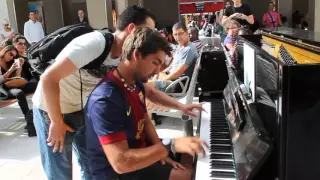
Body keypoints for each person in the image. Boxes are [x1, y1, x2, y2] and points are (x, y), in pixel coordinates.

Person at [32, 5, 203, 180]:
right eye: (147, 31)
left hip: (82, 109)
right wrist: (56, 121)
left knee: (90, 167)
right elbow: (48, 79)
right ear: (131, 29)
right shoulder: (94, 44)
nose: (151, 37)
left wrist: (180, 107)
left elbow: (147, 91)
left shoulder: (126, 60)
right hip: (52, 109)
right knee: (59, 171)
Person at [86, 27, 207, 180]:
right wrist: (167, 147)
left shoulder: (133, 82)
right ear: (137, 55)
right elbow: (121, 162)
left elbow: (145, 119)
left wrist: (161, 154)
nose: (157, 71)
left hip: (141, 153)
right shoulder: (106, 100)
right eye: (155, 63)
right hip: (121, 172)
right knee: (190, 175)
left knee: (192, 153)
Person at [149, 22, 198, 92]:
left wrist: (163, 79)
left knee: (146, 86)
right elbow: (172, 65)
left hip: (177, 84)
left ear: (187, 33)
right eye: (175, 34)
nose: (178, 37)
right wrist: (160, 74)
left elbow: (179, 72)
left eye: (180, 33)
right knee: (152, 79)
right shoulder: (180, 47)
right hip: (172, 80)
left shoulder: (188, 49)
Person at [0, 46, 36, 136]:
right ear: (4, 51)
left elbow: (17, 77)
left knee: (38, 84)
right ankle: (28, 118)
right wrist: (10, 70)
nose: (11, 57)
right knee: (19, 93)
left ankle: (39, 113)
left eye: (14, 56)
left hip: (14, 84)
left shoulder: (10, 63)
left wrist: (19, 68)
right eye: (10, 54)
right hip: (3, 89)